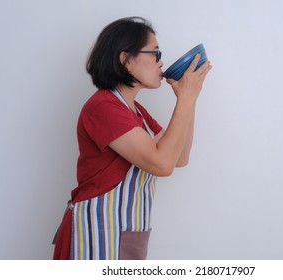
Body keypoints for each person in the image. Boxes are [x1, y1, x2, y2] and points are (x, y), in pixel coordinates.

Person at [52, 16, 212, 260]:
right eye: (155, 54)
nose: (162, 62)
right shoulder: (103, 107)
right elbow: (162, 164)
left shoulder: (137, 112)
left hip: (124, 233)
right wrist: (185, 99)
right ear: (126, 60)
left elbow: (179, 157)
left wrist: (189, 100)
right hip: (96, 233)